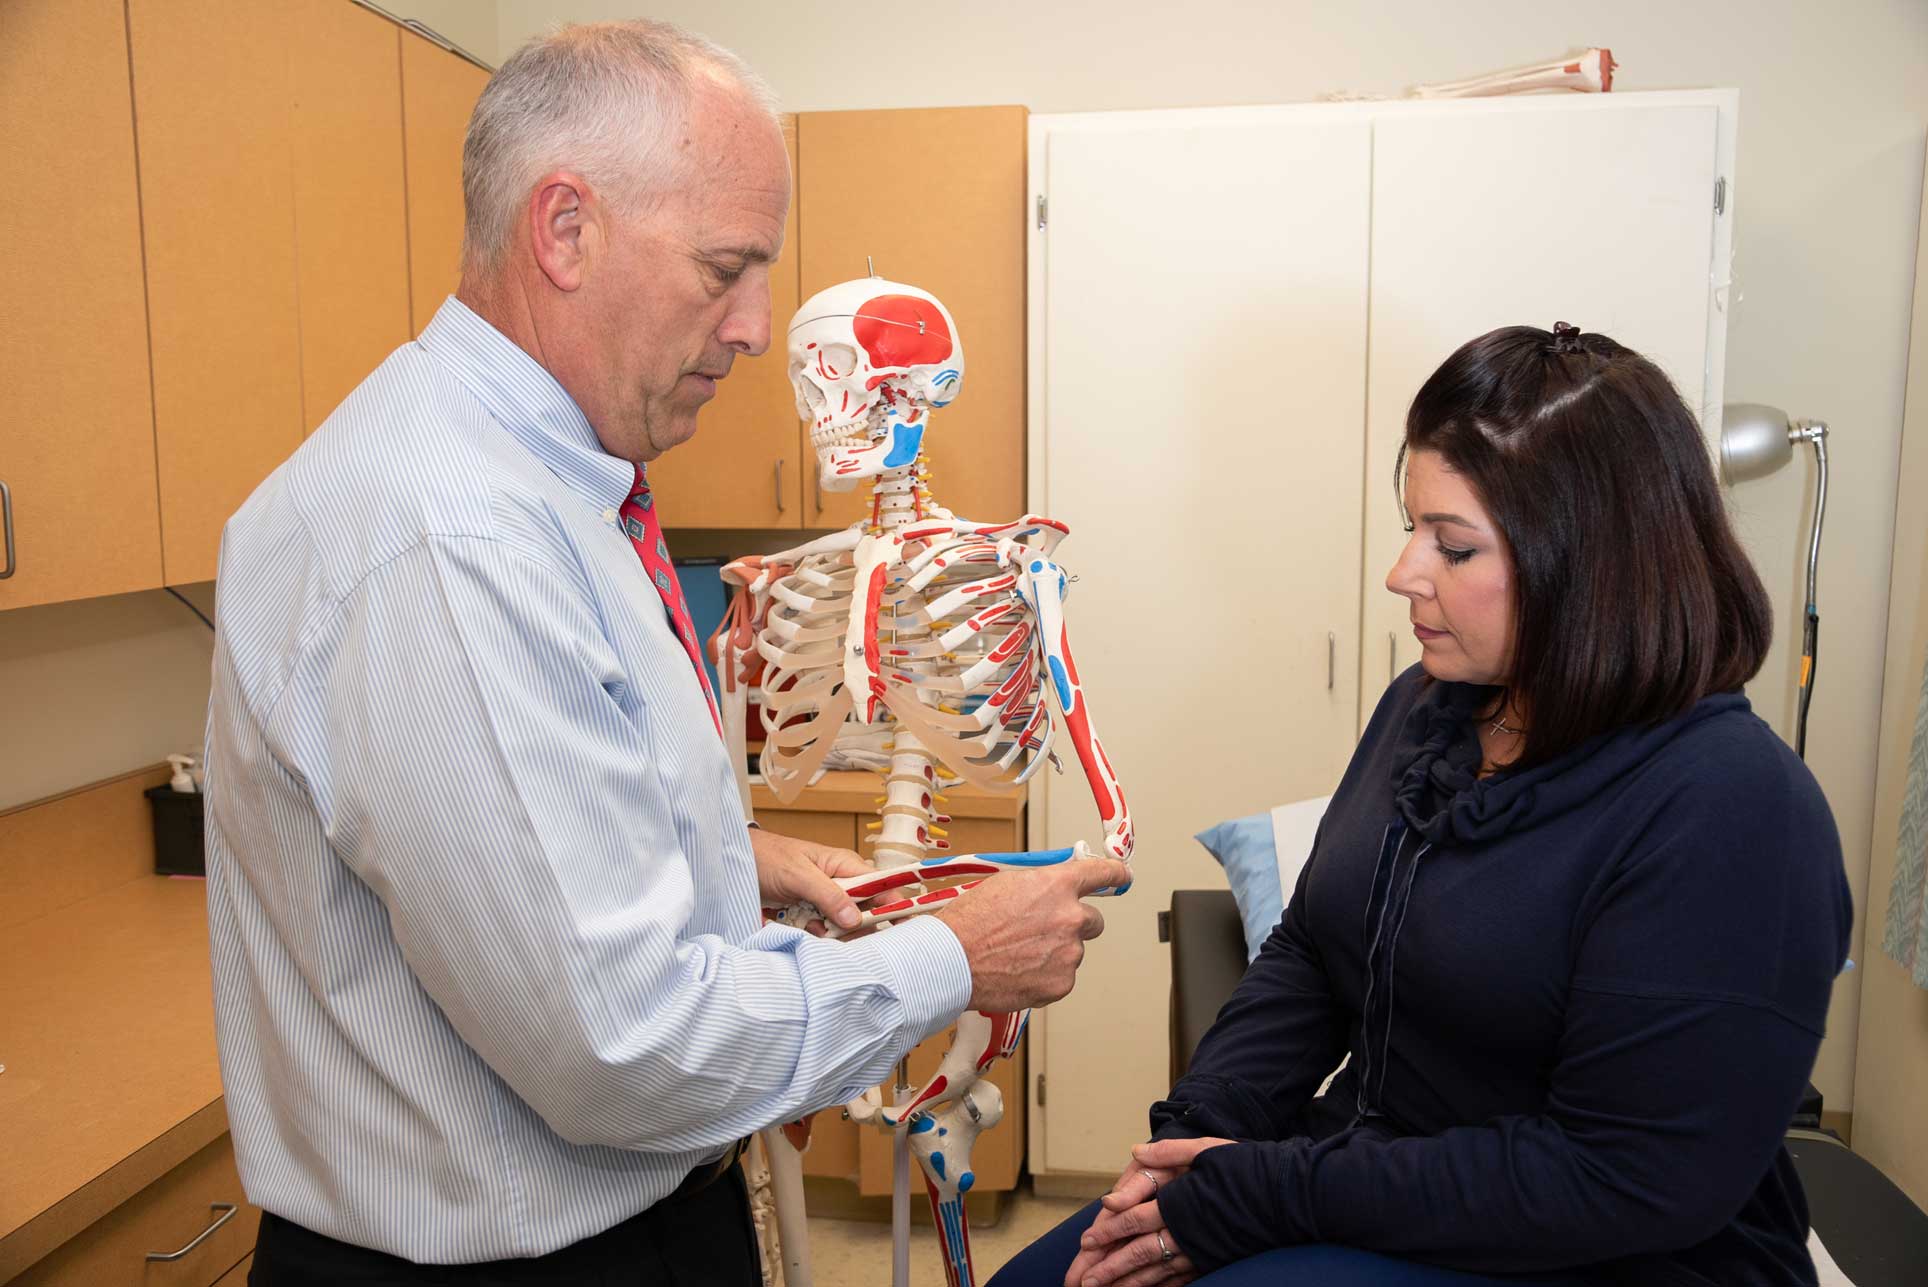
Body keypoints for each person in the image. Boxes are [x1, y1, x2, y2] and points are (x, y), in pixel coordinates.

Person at [202, 20, 1127, 1286]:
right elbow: (622, 1049)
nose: (754, 330)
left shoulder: (536, 489)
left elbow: (512, 848)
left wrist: (715, 861)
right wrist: (956, 957)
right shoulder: (452, 539)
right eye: (723, 269)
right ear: (564, 229)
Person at [989, 323, 1853, 1287]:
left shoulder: (1731, 809)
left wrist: (1263, 1191)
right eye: (1412, 529)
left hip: (1592, 1251)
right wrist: (1199, 1134)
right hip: (1377, 1181)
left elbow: (1623, 1176)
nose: (1404, 572)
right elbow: (1316, 945)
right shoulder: (1430, 710)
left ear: (1591, 563)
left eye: (1452, 545)